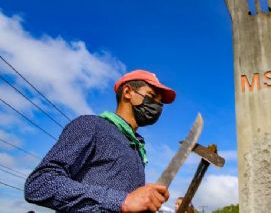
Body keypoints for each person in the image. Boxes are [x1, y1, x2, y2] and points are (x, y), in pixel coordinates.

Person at [24, 70, 176, 212]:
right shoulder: (91, 125)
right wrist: (122, 201)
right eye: (152, 96)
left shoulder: (137, 150)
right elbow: (40, 184)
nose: (157, 106)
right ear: (128, 92)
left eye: (159, 102)